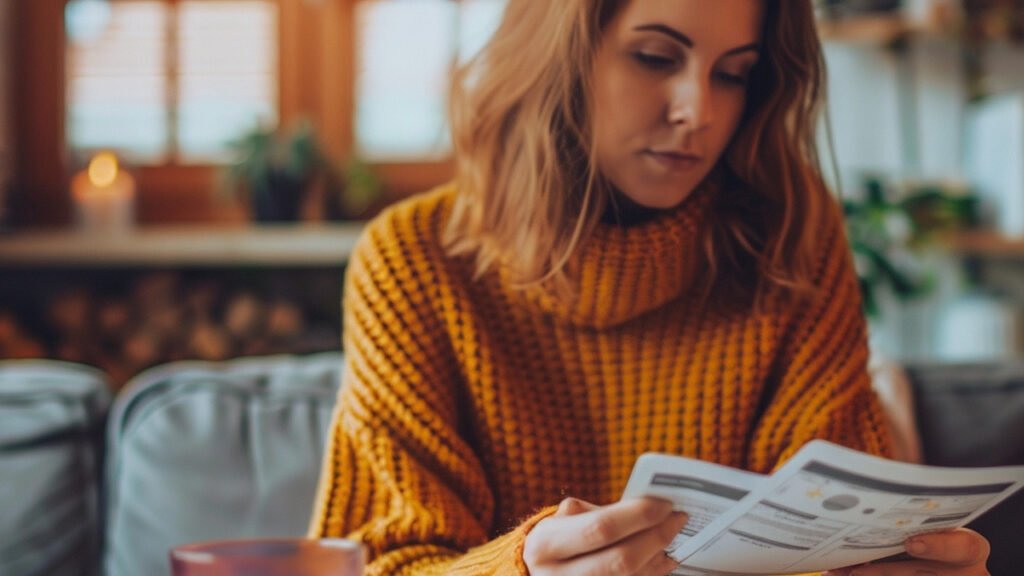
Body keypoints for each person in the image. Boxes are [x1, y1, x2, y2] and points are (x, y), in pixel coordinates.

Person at [309, 1, 994, 575]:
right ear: (559, 54)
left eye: (735, 74)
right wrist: (514, 569)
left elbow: (831, 548)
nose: (699, 109)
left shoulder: (792, 244)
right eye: (656, 57)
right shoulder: (412, 261)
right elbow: (383, 561)